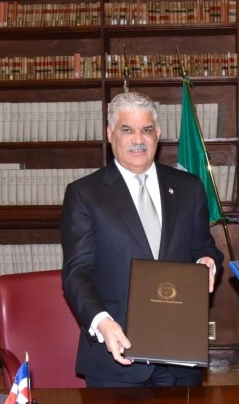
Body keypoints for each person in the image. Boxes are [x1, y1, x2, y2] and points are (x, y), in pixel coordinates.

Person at [61, 91, 223, 387]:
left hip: (179, 355)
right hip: (116, 353)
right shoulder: (84, 193)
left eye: (146, 129)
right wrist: (101, 322)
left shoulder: (189, 187)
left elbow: (203, 245)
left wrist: (208, 261)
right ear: (110, 134)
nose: (138, 139)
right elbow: (77, 272)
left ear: (158, 134)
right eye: (127, 129)